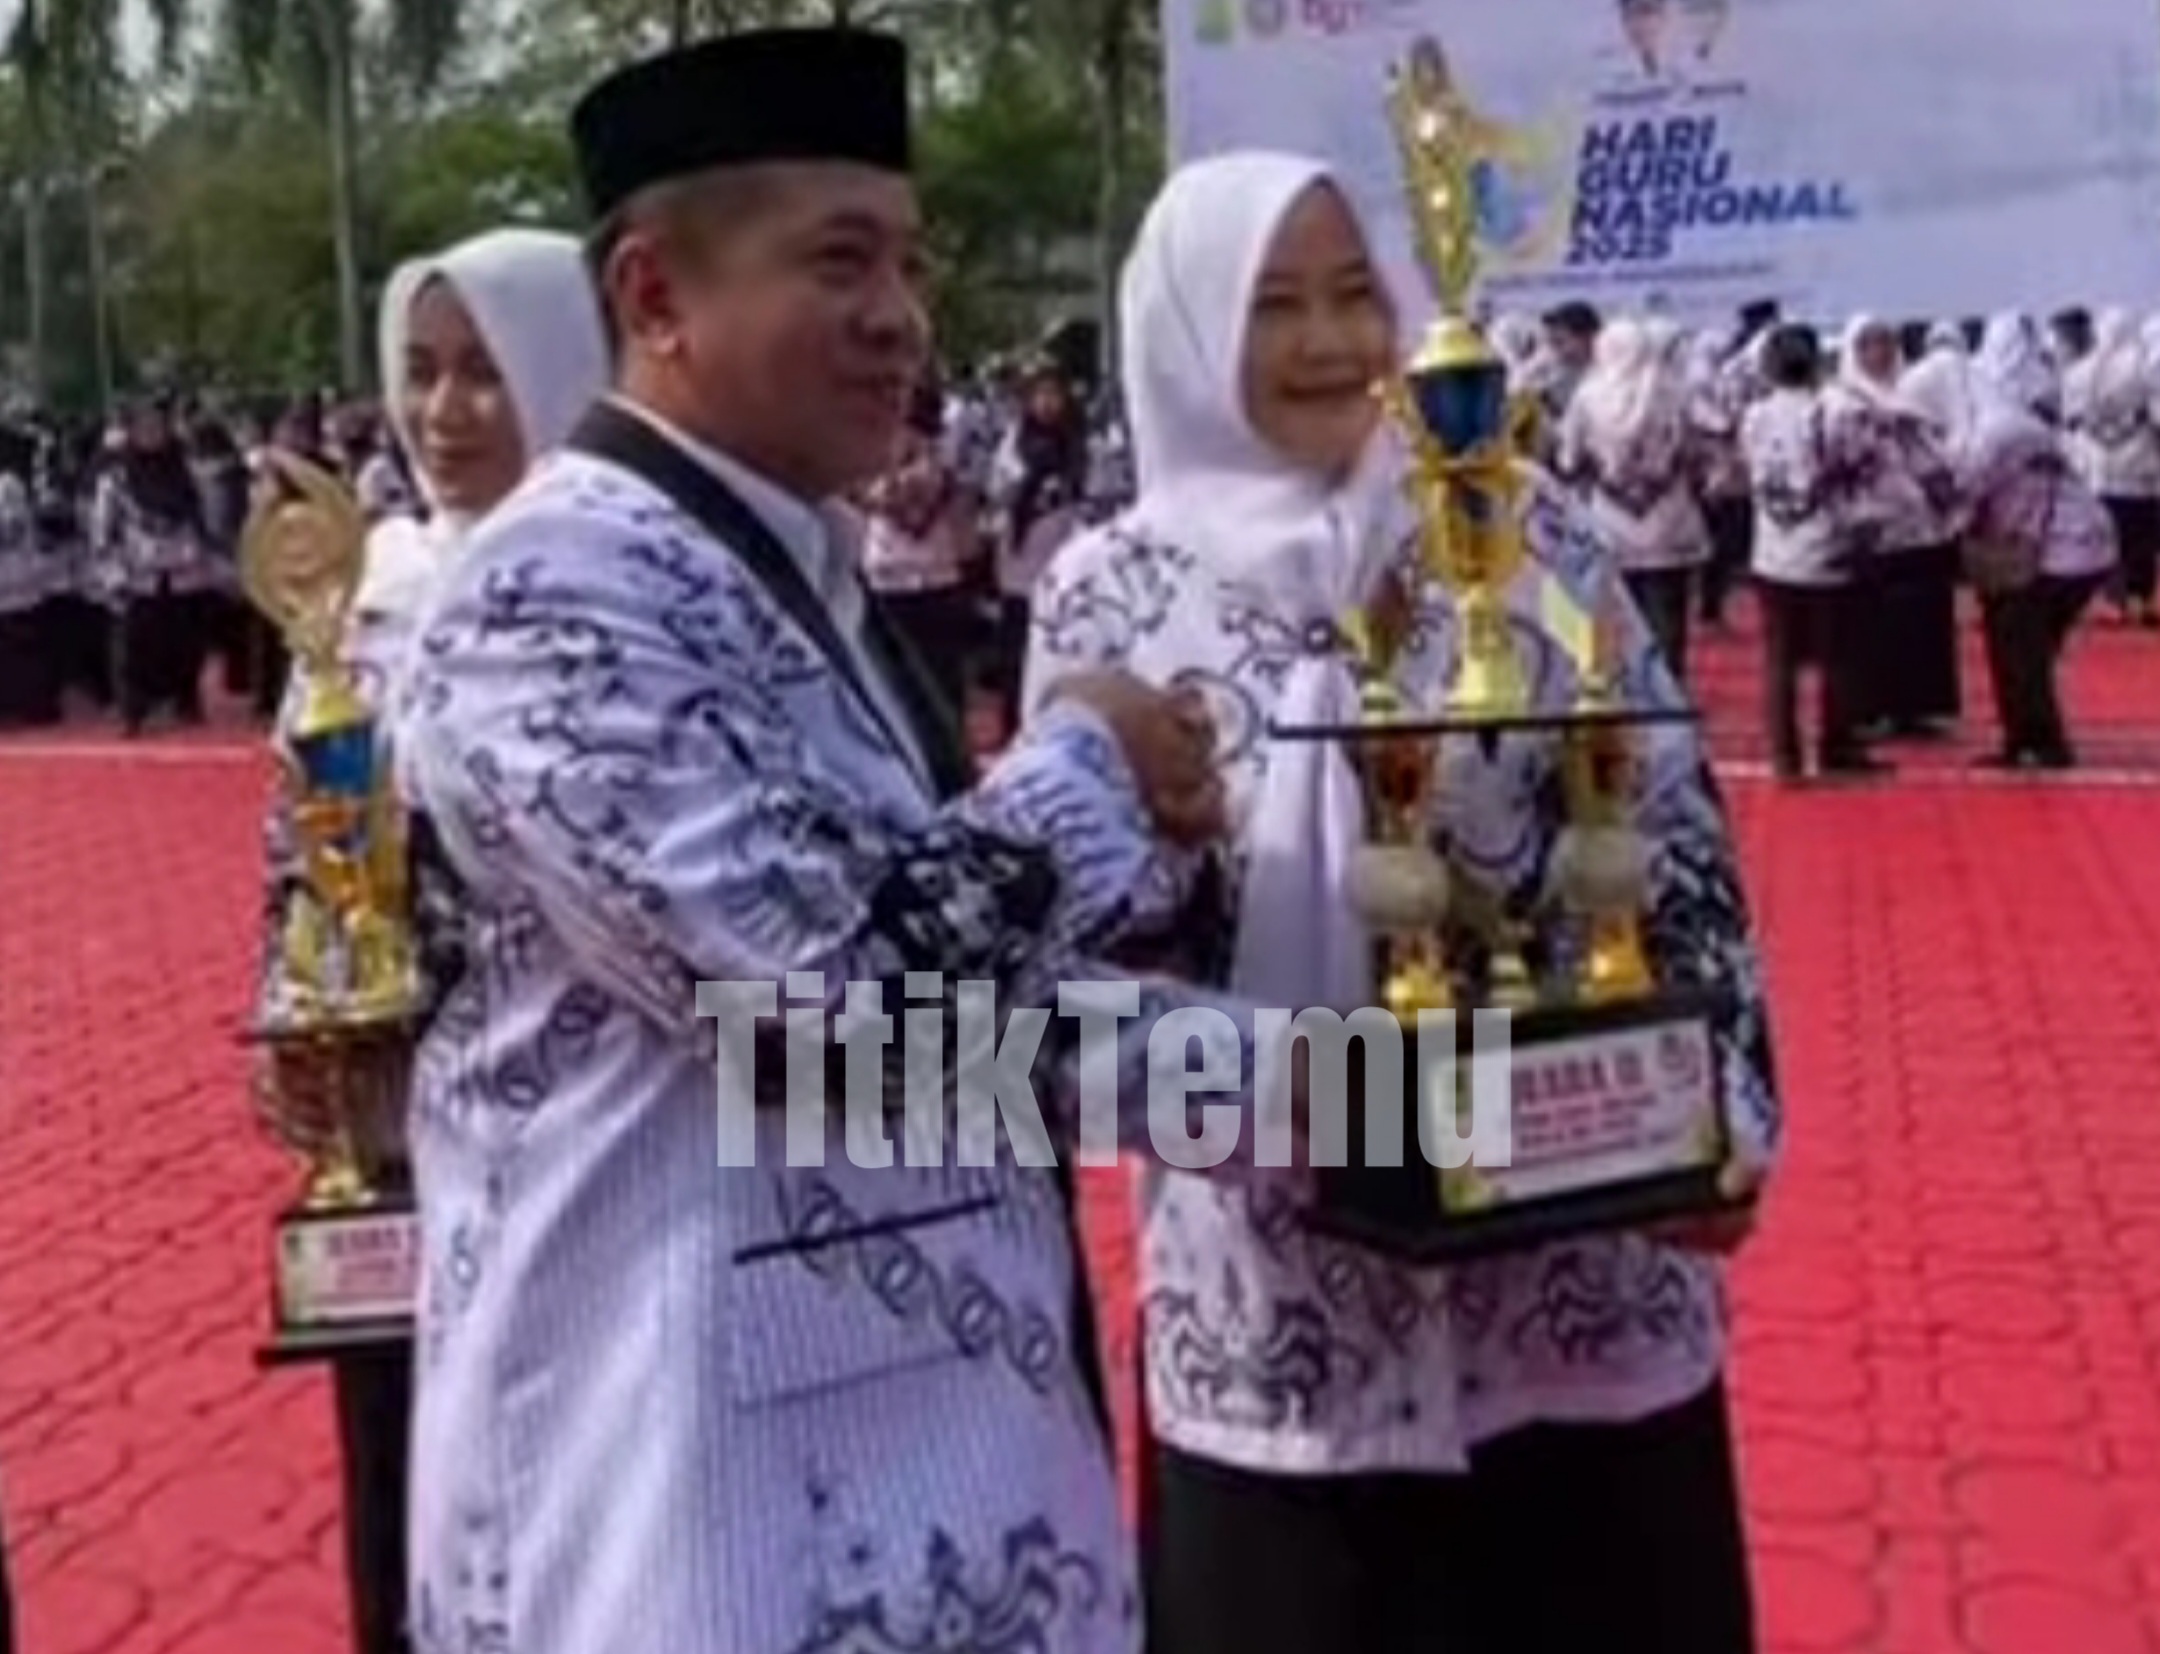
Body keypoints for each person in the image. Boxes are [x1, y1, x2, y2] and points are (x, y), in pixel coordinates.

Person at [391, 32, 1299, 1654]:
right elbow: (839, 1013)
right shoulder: (553, 588)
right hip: (682, 1512)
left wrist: (1394, 1099)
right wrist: (1088, 758)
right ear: (655, 293)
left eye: (911, 264)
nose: (902, 316)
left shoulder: (789, 566)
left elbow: (975, 1029)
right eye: (841, 261)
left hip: (939, 1482)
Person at [1027, 149, 1776, 1654]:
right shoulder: (1107, 596)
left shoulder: (1532, 534)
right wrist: (1334, 1107)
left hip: (1583, 1319)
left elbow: (1674, 836)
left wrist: (1725, 1122)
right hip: (1282, 1350)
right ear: (1186, 331)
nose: (1330, 342)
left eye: (1354, 293)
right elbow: (1062, 976)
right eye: (1273, 306)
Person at [252, 226, 609, 1654]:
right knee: (412, 1501)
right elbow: (301, 853)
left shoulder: (617, 586)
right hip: (400, 1136)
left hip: (576, 1135)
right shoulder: (366, 597)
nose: (445, 410)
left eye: (486, 370)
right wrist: (301, 1024)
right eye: (420, 370)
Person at [1964, 310, 2118, 769]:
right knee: (2022, 644)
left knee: (2019, 642)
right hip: (2082, 544)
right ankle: (2025, 738)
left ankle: (2040, 741)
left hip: (2054, 550)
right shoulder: (2035, 413)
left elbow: (1965, 482)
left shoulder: (2000, 426)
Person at [1741, 324, 1887, 781]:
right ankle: (1836, 745)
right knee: (1837, 656)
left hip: (1772, 550)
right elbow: (1866, 464)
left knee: (1780, 658)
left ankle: (1784, 755)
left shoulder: (1755, 416)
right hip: (1826, 547)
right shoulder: (1835, 413)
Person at [1557, 314, 1708, 679]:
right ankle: (1671, 692)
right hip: (1670, 522)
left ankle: (1632, 689)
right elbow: (1697, 450)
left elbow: (1568, 460)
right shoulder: (1674, 393)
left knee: (1620, 618)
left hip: (1611, 524)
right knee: (1670, 617)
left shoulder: (1588, 397)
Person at [1831, 314, 1962, 735]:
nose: (1880, 353)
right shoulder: (1841, 402)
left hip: (1921, 527)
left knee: (1921, 619)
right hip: (1871, 528)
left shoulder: (1912, 395)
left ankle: (1918, 707)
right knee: (1874, 622)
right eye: (1869, 344)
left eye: (1886, 343)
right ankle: (1872, 709)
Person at [93, 402, 211, 733]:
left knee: (185, 643)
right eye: (144, 428)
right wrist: (113, 575)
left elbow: (206, 521)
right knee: (133, 647)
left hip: (185, 573)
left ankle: (185, 700)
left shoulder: (186, 473)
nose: (152, 434)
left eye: (158, 427)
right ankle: (132, 711)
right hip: (137, 575)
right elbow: (102, 531)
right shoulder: (116, 479)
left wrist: (207, 560)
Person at [2061, 307, 2160, 628]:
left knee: (2106, 538)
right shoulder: (2144, 367)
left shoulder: (2082, 370)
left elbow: (2071, 418)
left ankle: (2111, 600)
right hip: (2140, 465)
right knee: (2141, 536)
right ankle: (2140, 598)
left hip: (2098, 466)